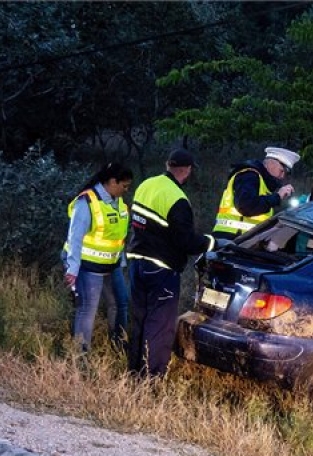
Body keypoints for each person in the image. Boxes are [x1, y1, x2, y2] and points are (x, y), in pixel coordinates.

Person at [126, 148, 215, 377]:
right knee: (160, 325)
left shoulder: (146, 185)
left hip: (137, 262)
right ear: (187, 171)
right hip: (161, 269)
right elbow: (185, 241)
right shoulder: (178, 199)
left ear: (167, 164)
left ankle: (134, 371)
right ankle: (152, 378)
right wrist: (210, 243)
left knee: (139, 318)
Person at [62, 162, 133, 352]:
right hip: (88, 266)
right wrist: (72, 270)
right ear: (112, 181)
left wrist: (121, 262)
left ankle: (119, 344)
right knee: (87, 310)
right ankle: (81, 356)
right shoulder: (87, 202)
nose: (125, 190)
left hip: (112, 264)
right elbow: (75, 238)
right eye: (124, 186)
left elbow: (118, 237)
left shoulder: (118, 202)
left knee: (120, 302)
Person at [212, 147, 300, 240]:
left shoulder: (264, 184)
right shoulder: (249, 176)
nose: (282, 176)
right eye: (282, 171)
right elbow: (246, 206)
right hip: (232, 239)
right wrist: (277, 197)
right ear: (271, 163)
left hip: (244, 240)